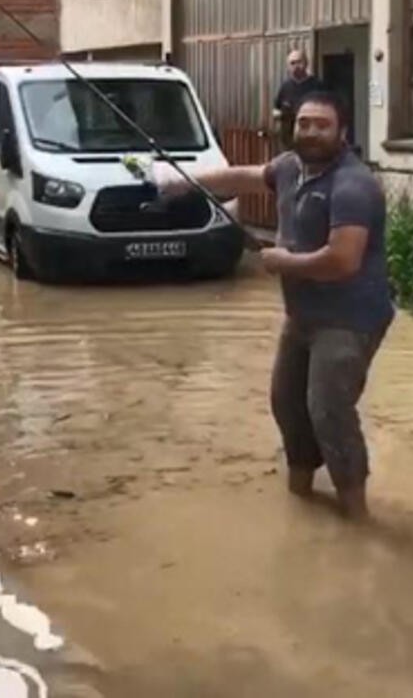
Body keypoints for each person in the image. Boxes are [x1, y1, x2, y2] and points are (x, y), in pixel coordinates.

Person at [161, 92, 394, 520]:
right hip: (302, 315)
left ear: (342, 132)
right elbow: (247, 176)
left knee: (328, 409)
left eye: (322, 124)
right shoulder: (289, 166)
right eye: (304, 123)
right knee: (286, 402)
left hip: (350, 317)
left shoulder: (353, 185)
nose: (310, 131)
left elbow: (343, 261)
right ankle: (300, 499)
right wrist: (184, 183)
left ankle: (359, 518)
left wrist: (284, 261)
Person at [274, 49, 327, 148]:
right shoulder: (285, 87)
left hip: (311, 139)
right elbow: (276, 109)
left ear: (306, 63)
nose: (296, 66)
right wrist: (282, 114)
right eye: (292, 63)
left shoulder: (317, 85)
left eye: (299, 62)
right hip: (289, 141)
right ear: (288, 67)